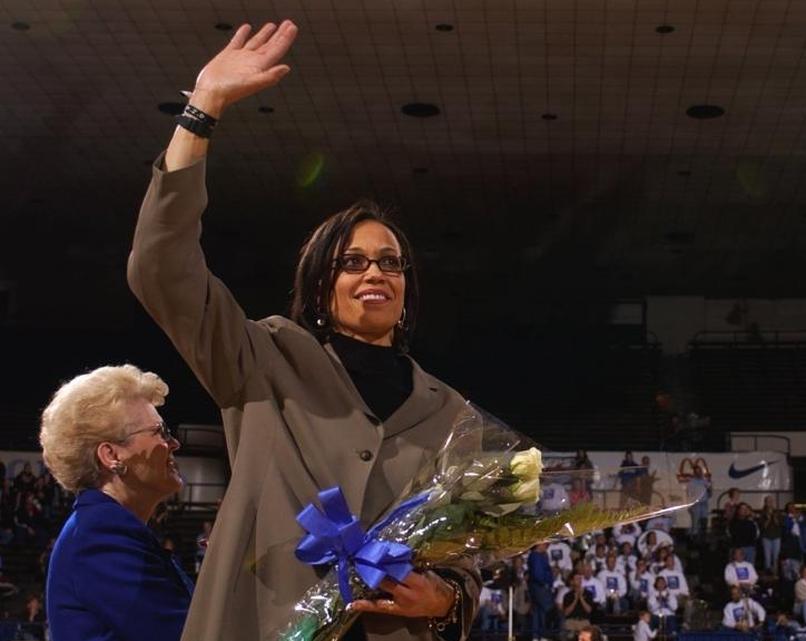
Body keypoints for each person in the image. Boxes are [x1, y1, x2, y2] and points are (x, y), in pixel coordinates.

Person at [128, 21, 481, 640]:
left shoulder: (451, 413)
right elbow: (161, 270)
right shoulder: (262, 358)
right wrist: (201, 109)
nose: (375, 272)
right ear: (320, 286)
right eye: (352, 261)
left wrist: (445, 599)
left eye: (390, 262)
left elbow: (464, 560)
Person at [39, 365, 193, 641]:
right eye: (161, 431)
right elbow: (189, 634)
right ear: (111, 455)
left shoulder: (106, 530)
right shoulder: (100, 536)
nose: (174, 444)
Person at [529, 544, 556, 641]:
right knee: (547, 611)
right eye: (544, 544)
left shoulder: (540, 555)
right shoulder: (536, 556)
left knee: (538, 612)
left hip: (538, 587)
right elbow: (538, 574)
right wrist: (546, 582)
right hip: (540, 588)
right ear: (539, 545)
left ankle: (537, 636)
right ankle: (544, 635)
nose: (547, 545)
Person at [561, 574, 594, 640]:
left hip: (584, 621)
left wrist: (581, 598)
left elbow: (589, 610)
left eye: (580, 579)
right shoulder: (567, 595)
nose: (579, 581)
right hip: (571, 621)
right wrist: (575, 600)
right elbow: (566, 613)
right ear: (572, 581)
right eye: (577, 579)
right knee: (568, 636)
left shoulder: (588, 594)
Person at [686, 463, 712, 540]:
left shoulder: (705, 481)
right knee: (696, 522)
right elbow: (690, 495)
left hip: (704, 503)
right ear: (694, 473)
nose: (699, 473)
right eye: (697, 472)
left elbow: (710, 492)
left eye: (700, 471)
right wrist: (690, 506)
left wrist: (709, 489)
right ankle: (694, 538)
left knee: (704, 521)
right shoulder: (691, 483)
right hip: (696, 504)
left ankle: (703, 538)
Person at [759, 496, 783, 572]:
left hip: (776, 537)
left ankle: (775, 572)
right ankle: (767, 572)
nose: (770, 503)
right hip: (766, 537)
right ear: (765, 503)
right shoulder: (762, 513)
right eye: (768, 501)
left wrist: (775, 517)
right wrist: (768, 518)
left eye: (771, 501)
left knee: (776, 556)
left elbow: (780, 524)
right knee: (767, 557)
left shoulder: (778, 512)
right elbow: (763, 526)